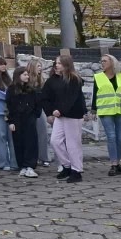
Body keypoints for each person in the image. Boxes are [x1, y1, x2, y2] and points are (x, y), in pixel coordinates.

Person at [42, 55, 86, 183]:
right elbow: (44, 97)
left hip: (73, 115)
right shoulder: (52, 80)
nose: (57, 65)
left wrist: (60, 110)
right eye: (56, 63)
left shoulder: (74, 79)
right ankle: (67, 166)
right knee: (55, 141)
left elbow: (71, 98)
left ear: (67, 64)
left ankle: (76, 171)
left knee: (73, 144)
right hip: (60, 116)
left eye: (59, 63)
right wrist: (50, 111)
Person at [90, 54, 121, 176]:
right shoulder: (98, 77)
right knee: (111, 136)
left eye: (104, 61)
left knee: (120, 138)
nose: (102, 63)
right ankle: (113, 164)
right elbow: (95, 94)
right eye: (101, 61)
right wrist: (93, 110)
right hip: (105, 110)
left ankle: (118, 163)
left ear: (112, 63)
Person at [7, 66, 40, 178]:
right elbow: (8, 106)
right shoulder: (11, 89)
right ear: (18, 76)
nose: (27, 77)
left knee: (31, 142)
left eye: (27, 75)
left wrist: (35, 115)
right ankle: (22, 166)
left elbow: (37, 103)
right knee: (18, 142)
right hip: (17, 120)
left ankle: (30, 165)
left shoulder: (31, 89)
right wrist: (10, 121)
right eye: (25, 75)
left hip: (29, 119)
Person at [26, 58, 50, 166]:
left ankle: (44, 157)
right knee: (30, 135)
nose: (40, 68)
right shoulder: (26, 80)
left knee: (42, 132)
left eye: (41, 66)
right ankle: (33, 158)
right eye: (38, 66)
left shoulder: (42, 80)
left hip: (40, 110)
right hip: (28, 110)